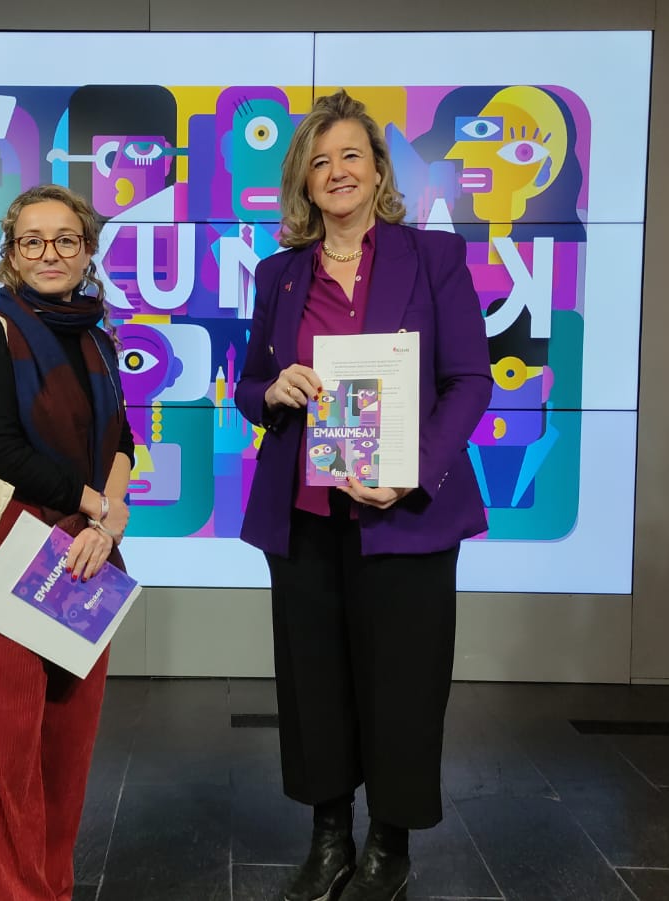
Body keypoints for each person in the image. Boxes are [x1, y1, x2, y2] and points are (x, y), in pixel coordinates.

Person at [235, 90, 493, 901]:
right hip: (305, 515)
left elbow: (470, 380)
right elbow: (249, 387)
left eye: (351, 155)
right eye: (319, 161)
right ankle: (329, 838)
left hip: (406, 515)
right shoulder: (279, 276)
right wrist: (272, 389)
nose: (336, 171)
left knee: (405, 684)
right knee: (313, 684)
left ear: (378, 169)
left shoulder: (432, 259)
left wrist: (415, 467)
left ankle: (390, 845)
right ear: (303, 184)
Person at [0, 184, 134, 901]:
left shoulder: (99, 336)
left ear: (87, 250)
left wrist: (109, 520)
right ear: (11, 255)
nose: (50, 253)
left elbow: (123, 438)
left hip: (90, 552)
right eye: (33, 240)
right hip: (13, 549)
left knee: (68, 747)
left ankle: (50, 887)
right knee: (10, 750)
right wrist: (93, 505)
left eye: (66, 238)